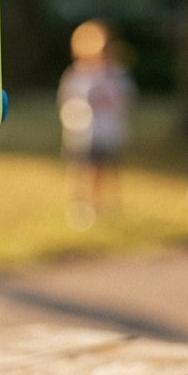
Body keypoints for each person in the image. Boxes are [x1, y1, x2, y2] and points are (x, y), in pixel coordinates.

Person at [57, 19, 135, 229]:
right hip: (83, 132)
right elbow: (68, 99)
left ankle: (101, 205)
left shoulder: (116, 75)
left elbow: (125, 98)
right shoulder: (77, 75)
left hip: (108, 131)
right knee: (82, 170)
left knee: (105, 169)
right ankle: (80, 206)